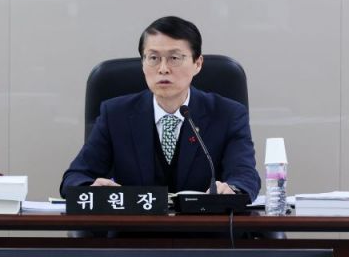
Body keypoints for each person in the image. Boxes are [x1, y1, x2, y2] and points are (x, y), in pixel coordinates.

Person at [60, 16, 260, 201]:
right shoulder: (115, 115)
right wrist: (91, 188)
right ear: (143, 63)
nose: (163, 69)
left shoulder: (227, 114)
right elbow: (75, 177)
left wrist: (232, 190)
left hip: (204, 225)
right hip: (134, 225)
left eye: (175, 58)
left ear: (197, 64)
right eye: (153, 58)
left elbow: (245, 176)